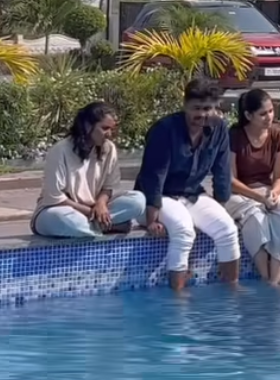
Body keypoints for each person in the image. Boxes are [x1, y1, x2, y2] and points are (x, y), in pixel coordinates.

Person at [135, 75, 241, 293]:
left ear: (215, 108)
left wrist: (220, 207)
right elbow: (154, 175)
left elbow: (222, 171)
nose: (201, 115)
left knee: (227, 229)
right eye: (196, 109)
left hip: (192, 193)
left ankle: (231, 291)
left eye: (207, 109)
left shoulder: (219, 128)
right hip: (162, 195)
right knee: (184, 230)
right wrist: (152, 218)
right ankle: (178, 296)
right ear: (185, 106)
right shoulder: (165, 129)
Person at [32, 101, 146, 240]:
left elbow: (108, 188)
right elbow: (55, 198)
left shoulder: (109, 148)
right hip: (59, 210)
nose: (109, 134)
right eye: (104, 128)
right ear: (87, 125)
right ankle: (107, 225)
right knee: (67, 220)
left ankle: (95, 226)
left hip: (95, 208)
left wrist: (101, 204)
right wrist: (92, 212)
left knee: (138, 200)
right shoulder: (60, 150)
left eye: (111, 129)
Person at [228, 86, 280, 285]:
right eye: (263, 113)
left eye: (271, 111)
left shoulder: (277, 136)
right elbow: (230, 180)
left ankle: (275, 282)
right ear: (248, 115)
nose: (269, 117)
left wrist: (273, 193)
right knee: (256, 217)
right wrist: (259, 198)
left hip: (266, 190)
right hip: (237, 193)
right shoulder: (234, 136)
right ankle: (266, 278)